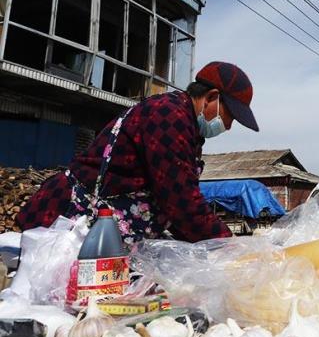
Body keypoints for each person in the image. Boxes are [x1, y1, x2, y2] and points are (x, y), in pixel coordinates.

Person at [17, 61, 259, 245]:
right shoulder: (169, 116)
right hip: (67, 225)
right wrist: (228, 245)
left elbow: (173, 204)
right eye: (230, 118)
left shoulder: (188, 127)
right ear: (212, 98)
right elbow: (180, 201)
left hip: (101, 234)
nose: (228, 127)